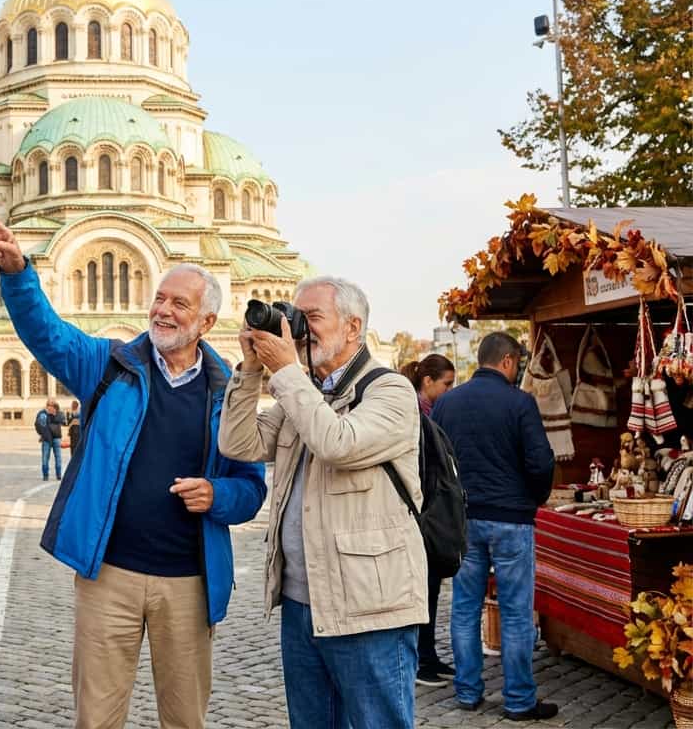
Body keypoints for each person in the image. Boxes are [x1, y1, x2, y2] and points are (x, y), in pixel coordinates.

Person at [0, 213, 267, 729]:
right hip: (109, 574)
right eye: (160, 298)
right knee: (97, 716)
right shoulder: (110, 365)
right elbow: (49, 337)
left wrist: (217, 495)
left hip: (188, 582)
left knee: (184, 718)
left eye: (180, 304)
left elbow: (251, 490)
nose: (163, 310)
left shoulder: (228, 392)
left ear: (205, 323)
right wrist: (19, 274)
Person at [218, 277, 426, 729]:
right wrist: (252, 370)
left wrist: (288, 372)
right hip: (302, 604)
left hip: (369, 607)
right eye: (296, 317)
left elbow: (338, 443)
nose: (298, 328)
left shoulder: (389, 390)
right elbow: (239, 443)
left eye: (311, 318)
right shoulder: (307, 391)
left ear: (353, 328)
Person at [431, 332, 556, 721]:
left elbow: (433, 461)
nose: (518, 369)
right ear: (506, 361)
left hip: (464, 518)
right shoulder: (520, 402)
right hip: (511, 518)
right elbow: (540, 461)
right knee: (517, 612)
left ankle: (468, 692)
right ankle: (519, 700)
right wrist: (533, 499)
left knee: (464, 608)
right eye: (517, 362)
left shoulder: (447, 403)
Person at [403, 353, 457, 688]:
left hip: (427, 515)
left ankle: (429, 656)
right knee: (422, 591)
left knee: (431, 589)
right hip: (421, 517)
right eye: (446, 384)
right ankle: (421, 660)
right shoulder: (415, 415)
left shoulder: (429, 413)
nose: (450, 390)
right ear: (427, 382)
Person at [35, 398, 65, 480]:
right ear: (46, 405)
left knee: (58, 457)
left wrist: (54, 414)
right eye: (49, 405)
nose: (50, 407)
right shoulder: (42, 414)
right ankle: (45, 475)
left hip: (56, 438)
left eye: (52, 405)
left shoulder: (59, 413)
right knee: (45, 457)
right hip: (46, 438)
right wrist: (41, 434)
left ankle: (58, 475)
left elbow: (63, 421)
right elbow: (37, 424)